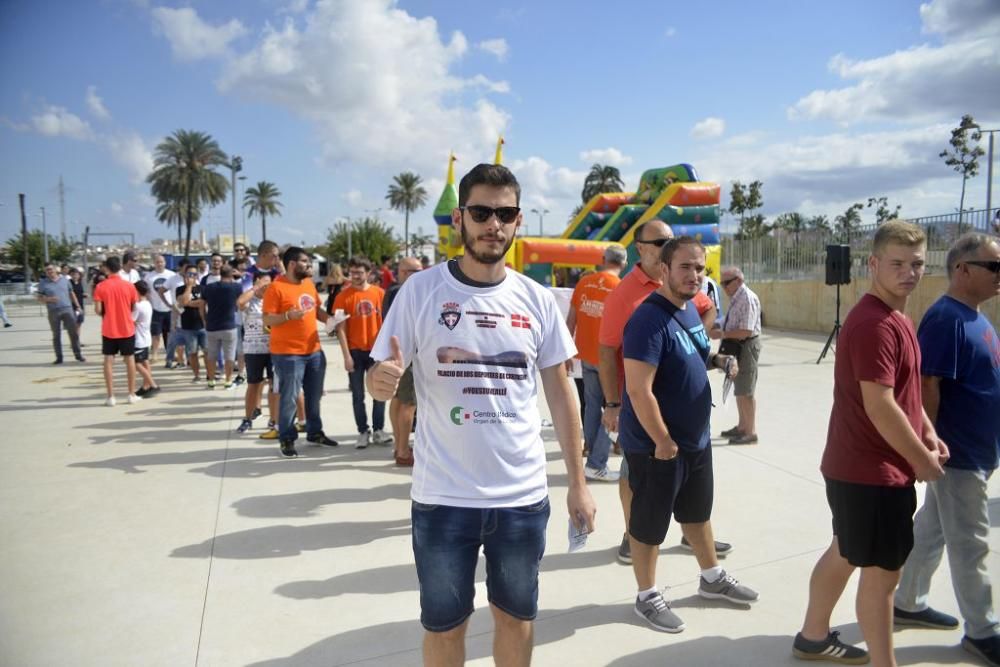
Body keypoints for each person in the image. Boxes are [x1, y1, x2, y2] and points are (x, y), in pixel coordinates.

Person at [366, 163, 596, 666]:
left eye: (506, 213)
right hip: (444, 499)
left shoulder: (536, 301)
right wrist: (377, 382)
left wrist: (577, 482)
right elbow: (383, 369)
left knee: (517, 618)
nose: (494, 223)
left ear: (518, 221)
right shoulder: (420, 292)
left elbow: (562, 396)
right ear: (460, 217)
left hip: (522, 498)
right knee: (446, 628)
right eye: (482, 211)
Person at [793, 220, 949, 667]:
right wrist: (921, 460)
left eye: (917, 263)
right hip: (870, 472)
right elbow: (880, 406)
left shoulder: (897, 317)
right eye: (897, 263)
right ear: (873, 264)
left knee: (846, 549)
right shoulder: (874, 325)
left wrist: (927, 432)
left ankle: (813, 636)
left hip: (857, 468)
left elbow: (903, 393)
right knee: (882, 581)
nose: (909, 272)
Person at [621, 237, 754, 634]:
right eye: (685, 267)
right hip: (658, 446)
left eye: (700, 268)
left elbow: (694, 355)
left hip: (694, 440)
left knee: (697, 514)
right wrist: (662, 440)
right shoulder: (647, 319)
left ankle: (711, 577)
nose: (695, 275)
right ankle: (646, 597)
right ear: (664, 270)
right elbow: (638, 389)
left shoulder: (690, 312)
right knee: (648, 525)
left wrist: (719, 359)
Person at [893, 233, 1000, 666]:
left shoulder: (977, 317)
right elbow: (926, 387)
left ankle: (908, 600)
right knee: (970, 543)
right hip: (957, 456)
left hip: (977, 450)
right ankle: (983, 629)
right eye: (994, 266)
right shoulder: (945, 319)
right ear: (963, 269)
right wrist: (929, 447)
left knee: (932, 530)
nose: (999, 275)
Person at [598, 221, 730, 564]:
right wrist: (612, 403)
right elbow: (607, 352)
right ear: (640, 248)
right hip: (650, 426)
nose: (667, 246)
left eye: (670, 240)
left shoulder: (684, 293)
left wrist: (713, 356)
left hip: (689, 431)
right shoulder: (625, 296)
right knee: (636, 481)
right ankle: (632, 534)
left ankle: (692, 539)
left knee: (691, 498)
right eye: (660, 242)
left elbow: (704, 317)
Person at [261, 246, 339, 457]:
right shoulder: (276, 288)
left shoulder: (308, 284)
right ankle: (286, 438)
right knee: (289, 397)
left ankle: (314, 432)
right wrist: (287, 316)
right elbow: (267, 319)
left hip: (313, 351)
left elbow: (316, 310)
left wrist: (332, 321)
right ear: (293, 264)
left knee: (314, 397)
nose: (309, 266)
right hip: (288, 354)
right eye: (306, 262)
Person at [567, 244, 627, 481]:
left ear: (603, 259)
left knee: (592, 407)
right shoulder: (621, 289)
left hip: (586, 356)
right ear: (623, 263)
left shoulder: (584, 283)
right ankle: (596, 463)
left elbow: (570, 321)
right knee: (614, 409)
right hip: (609, 359)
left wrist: (566, 354)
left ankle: (593, 456)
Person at [334, 255, 390, 449]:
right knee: (358, 395)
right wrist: (346, 355)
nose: (355, 275)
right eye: (353, 272)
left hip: (377, 352)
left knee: (379, 393)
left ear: (368, 273)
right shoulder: (343, 296)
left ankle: (379, 430)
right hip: (355, 352)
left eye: (359, 272)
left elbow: (388, 324)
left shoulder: (380, 294)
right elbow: (340, 327)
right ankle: (362, 431)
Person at [710, 266, 762, 445]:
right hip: (739, 345)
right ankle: (742, 426)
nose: (724, 287)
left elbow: (746, 331)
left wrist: (722, 334)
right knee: (740, 387)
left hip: (746, 345)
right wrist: (717, 324)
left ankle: (750, 431)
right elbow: (731, 319)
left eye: (727, 283)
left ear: (739, 281)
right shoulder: (737, 297)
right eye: (722, 283)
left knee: (746, 390)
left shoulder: (746, 298)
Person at [383, 256, 422, 466]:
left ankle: (399, 444)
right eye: (416, 271)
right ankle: (403, 451)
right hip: (408, 355)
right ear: (403, 272)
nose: (421, 274)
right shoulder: (406, 293)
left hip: (396, 353)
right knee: (408, 404)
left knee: (398, 401)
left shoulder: (392, 291)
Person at [93, 256, 141, 406]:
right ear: (120, 268)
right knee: (130, 360)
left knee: (108, 360)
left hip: (109, 328)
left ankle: (110, 396)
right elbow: (134, 306)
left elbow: (98, 310)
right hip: (126, 327)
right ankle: (131, 394)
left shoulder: (101, 286)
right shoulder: (129, 286)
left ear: (106, 268)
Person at [235, 272, 278, 434]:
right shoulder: (249, 301)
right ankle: (247, 419)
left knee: (274, 386)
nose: (267, 286)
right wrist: (256, 288)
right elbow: (239, 302)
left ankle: (273, 420)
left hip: (273, 349)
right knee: (253, 384)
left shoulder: (273, 301)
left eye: (269, 283)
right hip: (253, 350)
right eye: (264, 282)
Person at [200, 265, 243, 389]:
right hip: (229, 325)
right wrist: (238, 276)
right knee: (229, 355)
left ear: (220, 273)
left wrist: (204, 319)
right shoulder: (236, 287)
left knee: (211, 354)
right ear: (231, 274)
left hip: (212, 325)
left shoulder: (209, 288)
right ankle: (228, 380)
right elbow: (240, 301)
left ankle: (211, 379)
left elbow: (202, 305)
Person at [37, 263, 85, 364]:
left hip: (67, 309)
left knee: (73, 333)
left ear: (55, 269)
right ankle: (59, 357)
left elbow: (71, 293)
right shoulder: (43, 283)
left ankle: (78, 355)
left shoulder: (65, 280)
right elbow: (39, 298)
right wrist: (49, 299)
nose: (49, 272)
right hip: (53, 311)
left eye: (50, 269)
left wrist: (78, 306)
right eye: (47, 270)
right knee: (56, 335)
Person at [176, 266, 207, 382]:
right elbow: (183, 302)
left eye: (194, 275)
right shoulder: (180, 289)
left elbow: (203, 303)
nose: (192, 277)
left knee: (207, 352)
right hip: (188, 326)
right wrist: (189, 287)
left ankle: (210, 375)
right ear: (184, 276)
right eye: (189, 274)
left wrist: (190, 303)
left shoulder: (203, 289)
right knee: (193, 353)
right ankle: (197, 375)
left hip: (203, 325)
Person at [143, 254, 175, 363]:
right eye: (157, 262)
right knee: (156, 334)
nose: (159, 264)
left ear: (165, 263)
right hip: (155, 309)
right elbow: (146, 292)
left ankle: (170, 353)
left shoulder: (171, 275)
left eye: (161, 262)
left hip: (170, 309)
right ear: (154, 263)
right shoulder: (149, 277)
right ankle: (154, 354)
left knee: (170, 334)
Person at [132, 281, 160, 397]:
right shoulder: (147, 303)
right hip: (145, 337)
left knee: (135, 363)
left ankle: (153, 385)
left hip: (138, 339)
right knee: (144, 361)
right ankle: (146, 386)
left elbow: (131, 320)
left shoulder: (138, 306)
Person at [69, 267, 86, 333]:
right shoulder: (69, 283)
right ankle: (75, 341)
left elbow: (79, 293)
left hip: (80, 305)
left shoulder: (79, 282)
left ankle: (77, 341)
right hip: (73, 307)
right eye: (73, 274)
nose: (75, 276)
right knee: (74, 324)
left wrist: (83, 295)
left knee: (79, 323)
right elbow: (70, 295)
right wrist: (77, 306)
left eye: (76, 274)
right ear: (70, 275)